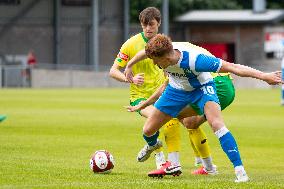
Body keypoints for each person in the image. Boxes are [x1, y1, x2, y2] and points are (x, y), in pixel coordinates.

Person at [124, 34, 283, 182]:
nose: (153, 64)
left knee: (217, 124)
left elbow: (233, 67)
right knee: (148, 130)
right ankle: (153, 145)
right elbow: (145, 56)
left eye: (155, 61)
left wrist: (264, 76)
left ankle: (240, 171)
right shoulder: (161, 53)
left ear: (165, 57)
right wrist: (130, 69)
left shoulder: (195, 60)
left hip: (201, 89)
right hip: (176, 91)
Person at [109, 7, 216, 178]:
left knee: (190, 123)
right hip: (140, 97)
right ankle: (165, 163)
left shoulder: (165, 45)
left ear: (158, 23)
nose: (148, 29)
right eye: (144, 25)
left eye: (151, 24)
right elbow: (113, 71)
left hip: (165, 93)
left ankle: (206, 164)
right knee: (163, 120)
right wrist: (129, 79)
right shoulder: (130, 45)